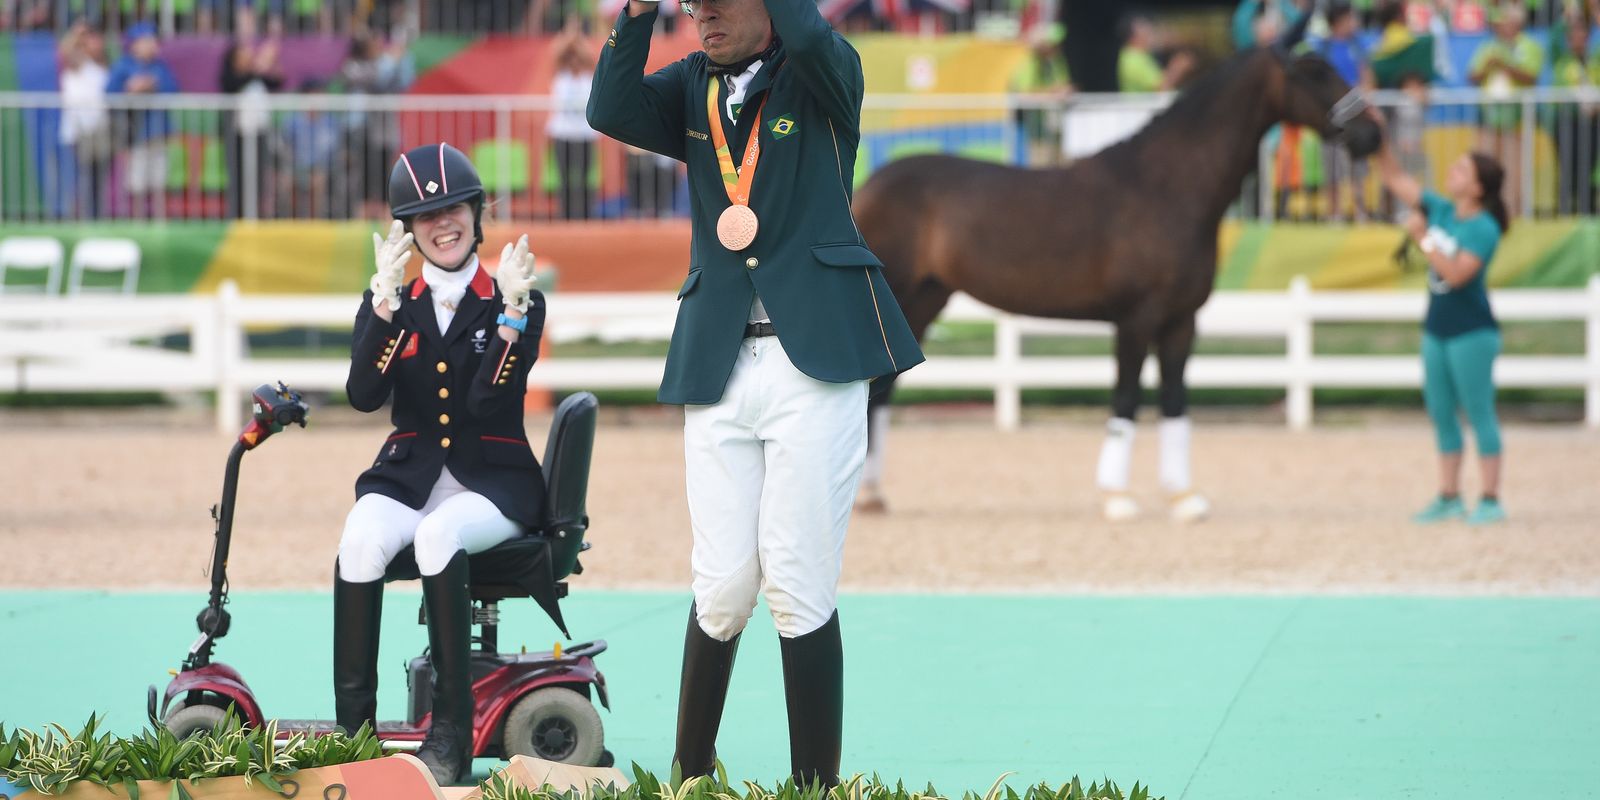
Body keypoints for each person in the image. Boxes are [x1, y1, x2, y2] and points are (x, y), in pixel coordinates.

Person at [586, 0, 925, 786]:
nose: (701, 16)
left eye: (718, 3)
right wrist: (635, 13)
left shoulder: (824, 71)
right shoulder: (689, 86)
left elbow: (806, 32)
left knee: (797, 582)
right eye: (689, 5)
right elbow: (608, 106)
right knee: (723, 587)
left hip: (814, 366)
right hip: (720, 359)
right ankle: (689, 778)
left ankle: (816, 788)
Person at [334, 142, 546, 786]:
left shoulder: (516, 297)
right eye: (424, 215)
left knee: (439, 533)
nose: (441, 222)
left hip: (492, 481)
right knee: (359, 540)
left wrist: (510, 318)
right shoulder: (395, 300)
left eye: (453, 207)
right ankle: (354, 736)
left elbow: (485, 402)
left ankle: (450, 729)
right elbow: (363, 396)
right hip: (411, 473)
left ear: (477, 213)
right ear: (408, 229)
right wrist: (383, 309)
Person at [1371, 114, 1511, 526]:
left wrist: (1423, 239)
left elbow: (1457, 274)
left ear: (1479, 188)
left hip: (1473, 331)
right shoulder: (1444, 209)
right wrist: (1379, 137)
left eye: (1462, 169)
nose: (1453, 171)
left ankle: (1490, 497)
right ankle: (1449, 494)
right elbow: (1396, 179)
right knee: (1441, 410)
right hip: (1437, 327)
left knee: (1479, 411)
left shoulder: (1483, 228)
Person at [1469, 3, 1545, 215]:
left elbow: (1531, 77)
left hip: (1517, 120)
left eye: (1505, 21)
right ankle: (1484, 210)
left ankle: (1513, 212)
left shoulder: (1530, 46)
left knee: (1514, 170)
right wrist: (1487, 67)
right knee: (1485, 167)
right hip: (1489, 118)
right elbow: (1472, 76)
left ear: (1517, 23)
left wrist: (1503, 65)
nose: (1500, 26)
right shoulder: (1488, 47)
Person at [105, 22, 178, 218]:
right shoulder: (122, 66)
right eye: (147, 41)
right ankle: (137, 219)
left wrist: (153, 87)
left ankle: (159, 220)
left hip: (158, 131)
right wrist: (130, 90)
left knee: (159, 180)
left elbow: (173, 91)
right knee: (136, 181)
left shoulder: (160, 66)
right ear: (135, 44)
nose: (152, 45)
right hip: (134, 133)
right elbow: (109, 96)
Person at [220, 10, 285, 219]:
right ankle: (237, 216)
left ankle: (256, 215)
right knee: (238, 178)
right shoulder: (234, 76)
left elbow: (278, 80)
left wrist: (268, 65)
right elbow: (232, 84)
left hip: (259, 133)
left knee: (258, 177)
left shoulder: (256, 76)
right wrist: (257, 67)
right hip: (238, 134)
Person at [1317, 1, 1374, 221]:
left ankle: (1360, 212)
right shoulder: (1323, 48)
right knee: (1331, 169)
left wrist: (1363, 101)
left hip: (1356, 118)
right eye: (1350, 18)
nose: (1354, 23)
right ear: (1338, 21)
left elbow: (1367, 77)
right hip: (1331, 119)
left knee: (1358, 168)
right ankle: (1334, 214)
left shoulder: (1358, 46)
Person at [58, 20, 111, 219]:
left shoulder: (103, 66)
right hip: (81, 129)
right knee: (85, 177)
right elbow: (66, 50)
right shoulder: (77, 63)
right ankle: (84, 218)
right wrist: (77, 33)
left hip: (101, 127)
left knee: (99, 179)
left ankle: (98, 217)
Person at [547, 24, 599, 220]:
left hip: (584, 135)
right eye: (572, 58)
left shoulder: (589, 78)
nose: (575, 61)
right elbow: (557, 53)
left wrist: (579, 40)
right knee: (565, 180)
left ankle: (585, 216)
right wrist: (570, 34)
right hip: (563, 134)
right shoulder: (561, 77)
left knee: (584, 179)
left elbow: (589, 56)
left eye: (577, 58)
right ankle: (565, 217)